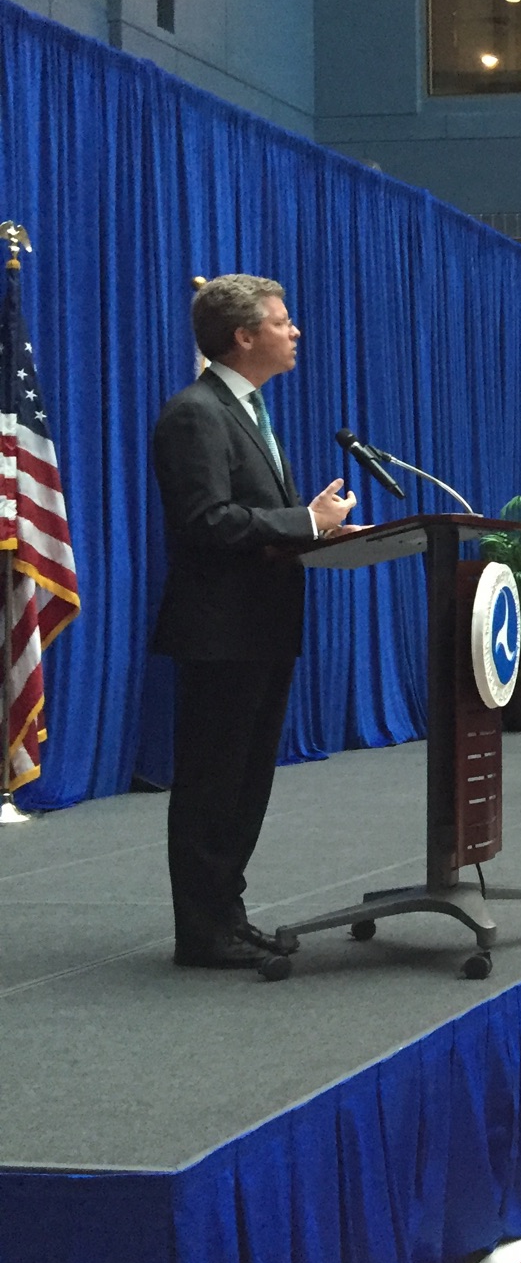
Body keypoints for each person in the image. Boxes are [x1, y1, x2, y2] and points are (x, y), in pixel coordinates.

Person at [152, 275, 358, 969]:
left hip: (261, 626)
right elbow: (205, 522)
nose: (295, 331)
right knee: (214, 785)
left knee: (245, 786)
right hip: (220, 631)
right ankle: (202, 933)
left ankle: (226, 916)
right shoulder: (196, 413)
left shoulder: (246, 409)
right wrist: (303, 521)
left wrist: (315, 527)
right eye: (282, 321)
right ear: (244, 336)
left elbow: (249, 519)